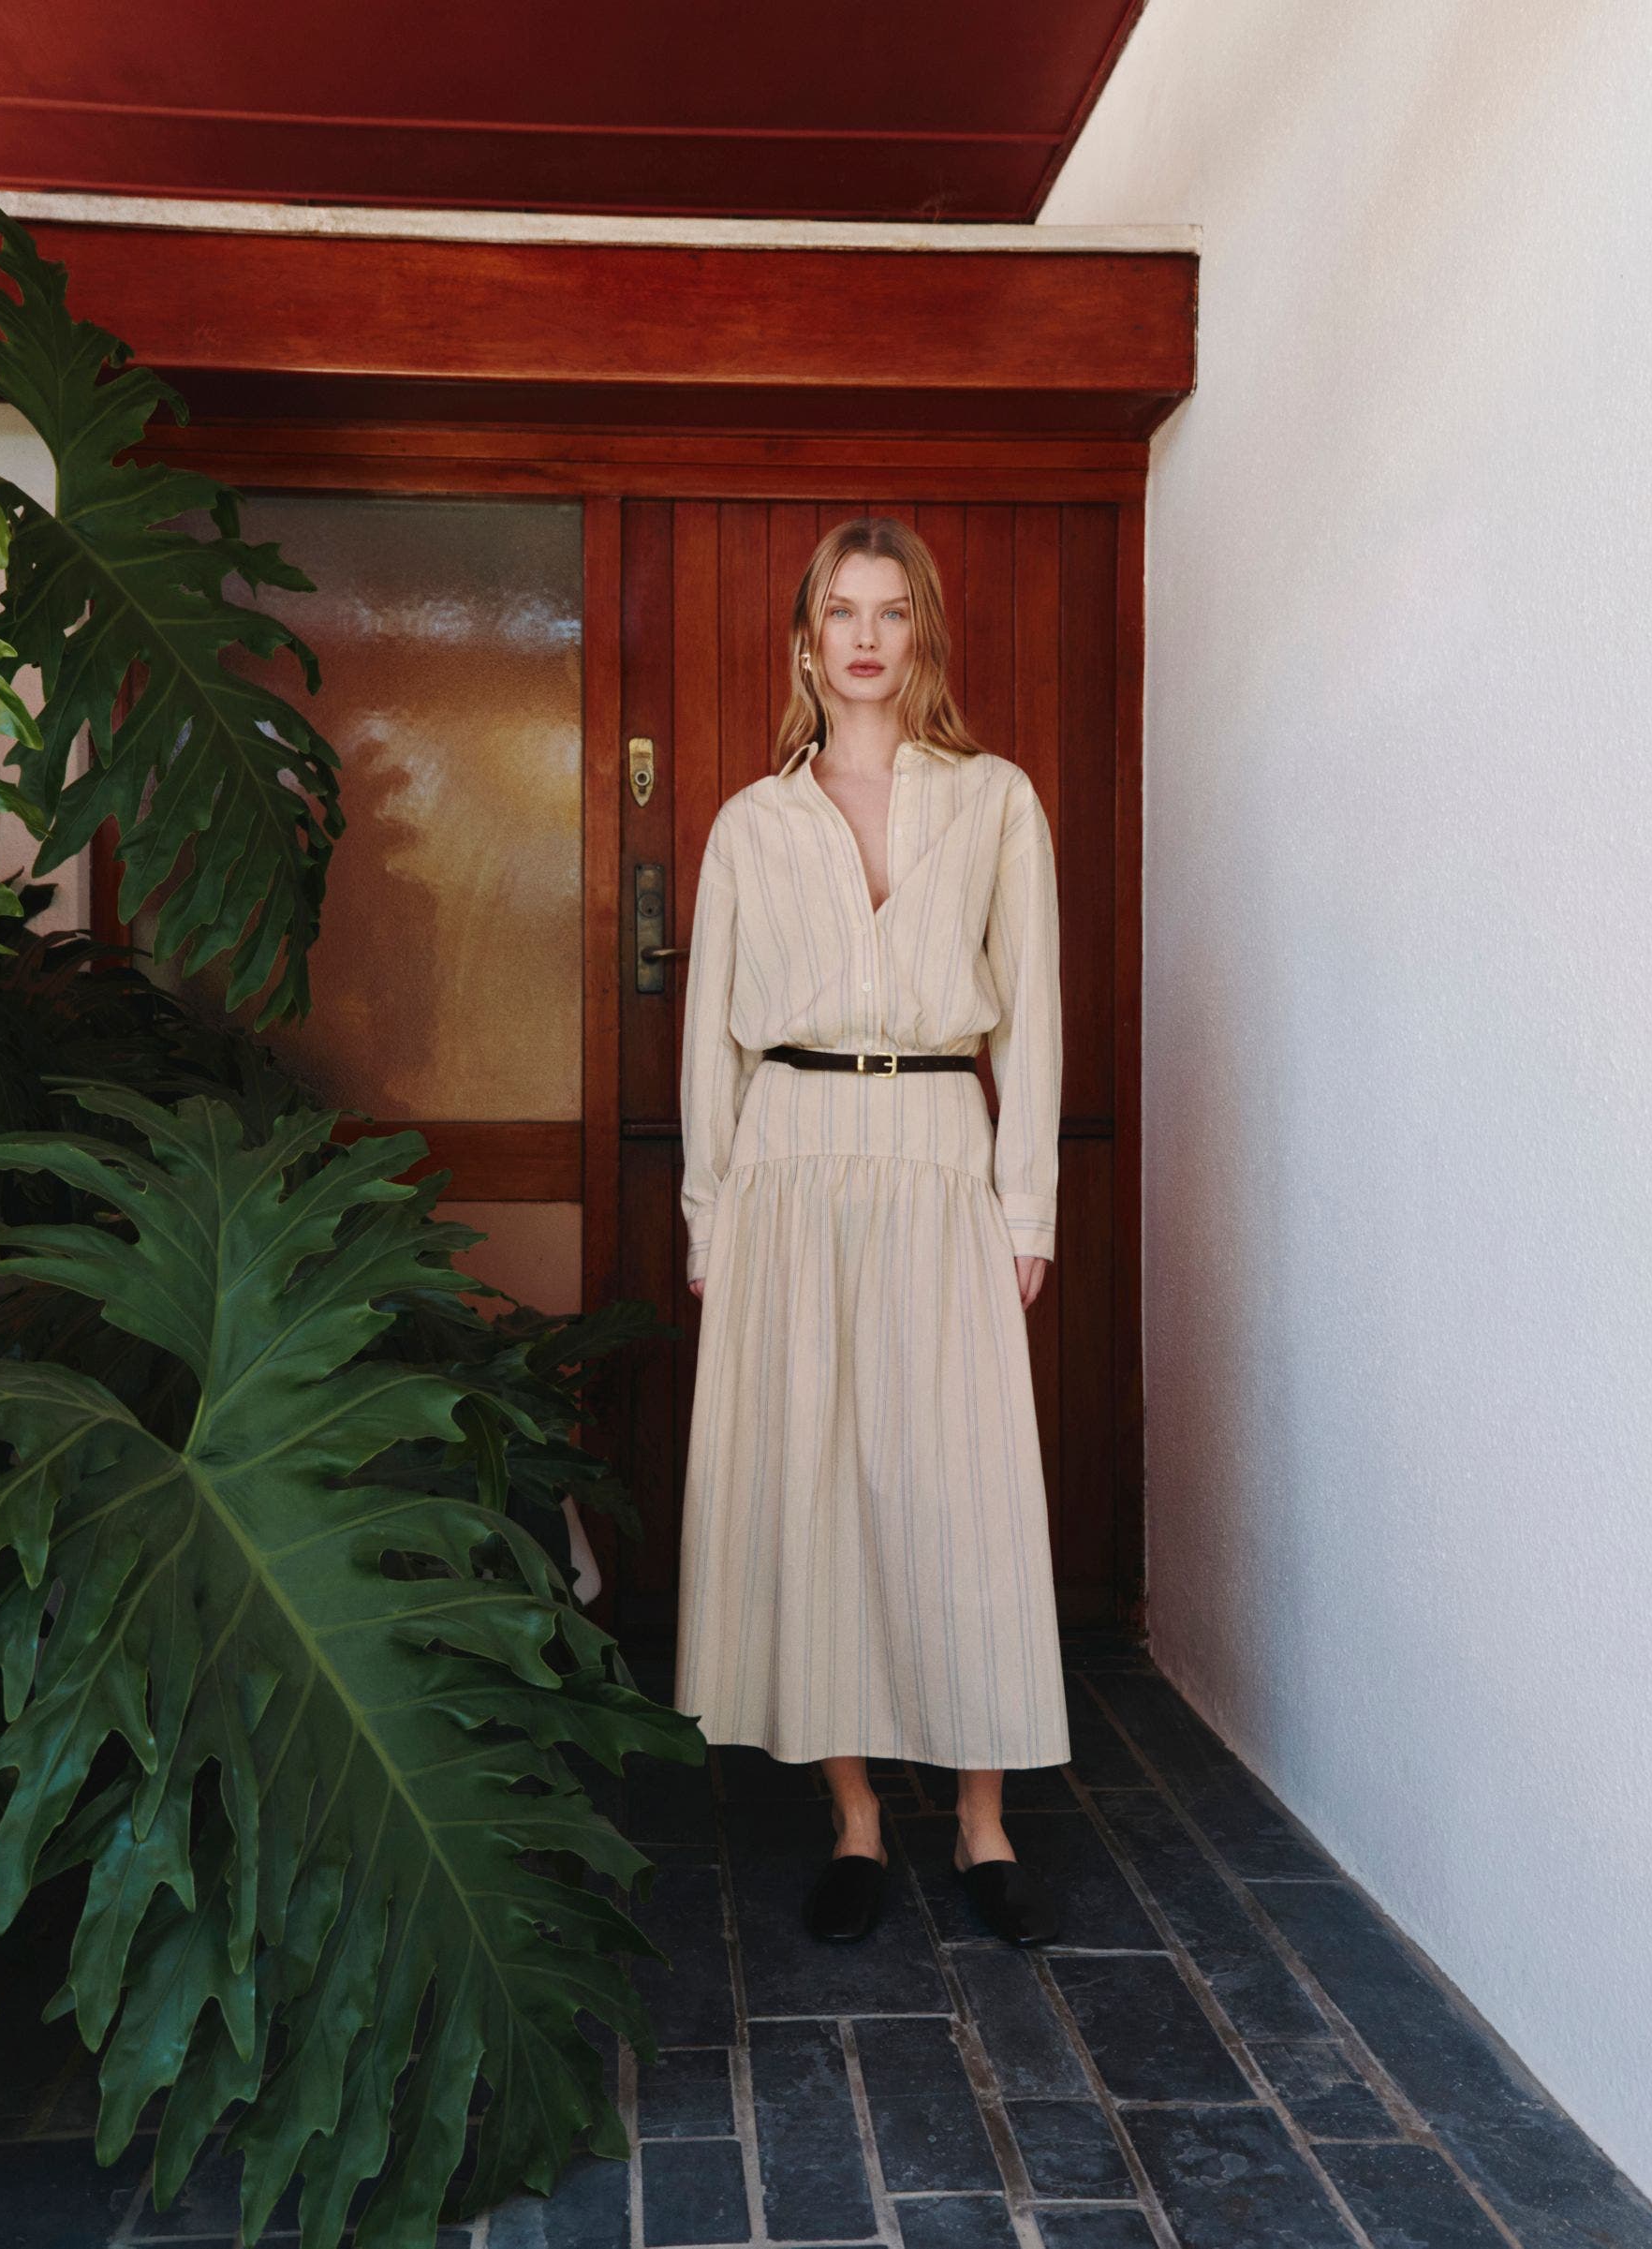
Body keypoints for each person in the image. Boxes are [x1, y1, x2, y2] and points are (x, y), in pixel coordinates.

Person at [672, 514, 1071, 1948]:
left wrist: (1024, 1198)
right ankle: (853, 1813)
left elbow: (1028, 1014)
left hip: (935, 1148)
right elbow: (712, 1039)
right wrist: (709, 1211)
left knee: (956, 1478)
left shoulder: (994, 804)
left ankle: (981, 1817)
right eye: (839, 611)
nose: (863, 635)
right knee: (821, 1478)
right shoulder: (749, 824)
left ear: (922, 638)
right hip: (788, 1158)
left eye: (890, 612)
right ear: (803, 641)